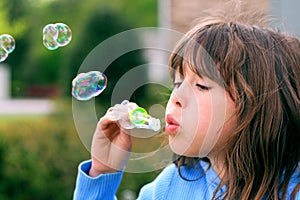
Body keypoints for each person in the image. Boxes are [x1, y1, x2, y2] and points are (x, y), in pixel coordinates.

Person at [73, 12, 300, 200]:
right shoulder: (167, 188)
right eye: (177, 83)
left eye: (201, 85)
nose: (176, 96)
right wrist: (102, 172)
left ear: (256, 107)